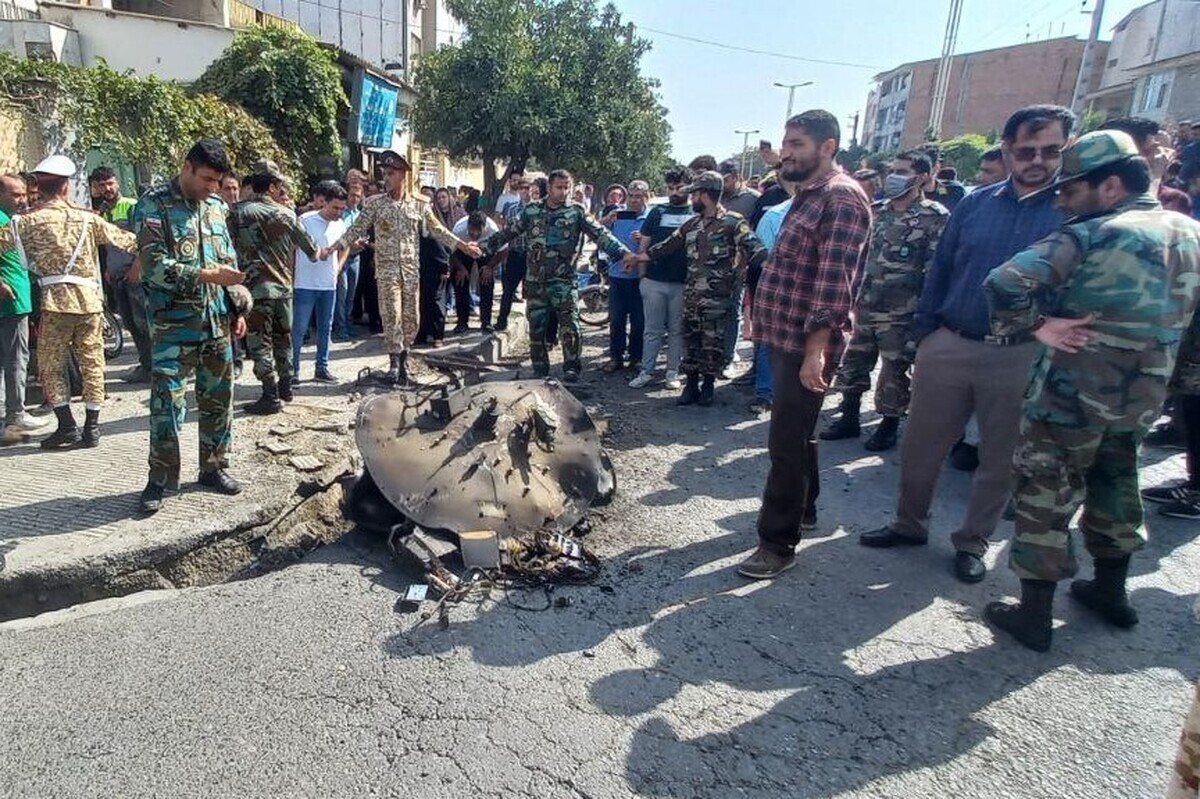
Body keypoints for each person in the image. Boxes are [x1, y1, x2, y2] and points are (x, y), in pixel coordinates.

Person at [980, 130, 1200, 652]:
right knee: (1117, 481)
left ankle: (1034, 615)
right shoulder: (1189, 232)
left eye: (1071, 189)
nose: (1060, 199)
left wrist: (1036, 326)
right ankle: (1110, 591)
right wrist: (1180, 382)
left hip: (1068, 396)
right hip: (1141, 396)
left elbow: (1003, 281)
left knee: (1044, 493)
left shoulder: (1092, 233)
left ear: (1111, 186)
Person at [859, 104, 1073, 584]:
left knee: (999, 458)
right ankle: (908, 524)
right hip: (951, 341)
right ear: (1007, 149)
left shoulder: (1071, 212)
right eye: (1025, 151)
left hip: (1020, 352)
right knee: (920, 446)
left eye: (1050, 150)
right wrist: (925, 335)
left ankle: (972, 542)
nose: (1036, 160)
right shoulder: (976, 204)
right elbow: (942, 269)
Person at [735, 110, 872, 579]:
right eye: (785, 142)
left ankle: (777, 543)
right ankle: (805, 512)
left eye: (796, 144)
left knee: (786, 445)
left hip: (806, 344)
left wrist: (817, 350)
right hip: (786, 336)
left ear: (827, 146)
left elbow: (835, 284)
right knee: (799, 434)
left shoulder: (841, 199)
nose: (785, 152)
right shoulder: (810, 196)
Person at [132, 138, 249, 514]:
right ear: (186, 167)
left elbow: (227, 261)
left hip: (216, 324)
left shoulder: (215, 208)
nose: (212, 188)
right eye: (206, 179)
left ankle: (214, 467)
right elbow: (153, 267)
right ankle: (160, 479)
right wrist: (207, 275)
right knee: (167, 405)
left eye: (218, 181)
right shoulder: (153, 206)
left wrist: (237, 305)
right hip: (172, 328)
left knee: (219, 401)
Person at [0, 155, 137, 450]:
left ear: (39, 187)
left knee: (50, 365)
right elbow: (128, 241)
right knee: (92, 362)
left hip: (54, 303)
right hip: (90, 302)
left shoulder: (25, 222)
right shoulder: (88, 218)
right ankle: (92, 428)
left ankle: (66, 426)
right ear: (65, 187)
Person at [821, 150, 949, 451]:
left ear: (921, 177)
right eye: (893, 170)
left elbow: (936, 270)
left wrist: (926, 315)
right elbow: (860, 256)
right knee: (854, 364)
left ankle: (888, 425)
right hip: (866, 304)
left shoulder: (935, 217)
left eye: (902, 171)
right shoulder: (877, 210)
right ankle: (849, 418)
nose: (894, 177)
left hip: (902, 311)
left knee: (893, 372)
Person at [330, 151, 478, 384]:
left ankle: (405, 360)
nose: (386, 178)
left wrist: (462, 245)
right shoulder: (375, 204)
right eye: (384, 173)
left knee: (412, 319)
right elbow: (356, 229)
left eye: (391, 173)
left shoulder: (419, 205)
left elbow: (437, 229)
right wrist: (335, 246)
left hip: (410, 271)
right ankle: (394, 364)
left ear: (403, 176)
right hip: (387, 271)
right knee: (392, 317)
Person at [481, 169, 635, 382]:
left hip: (564, 282)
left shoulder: (577, 212)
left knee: (570, 327)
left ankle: (571, 367)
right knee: (536, 327)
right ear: (549, 187)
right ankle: (540, 368)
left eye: (567, 188)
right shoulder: (532, 211)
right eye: (559, 187)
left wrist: (623, 253)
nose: (563, 192)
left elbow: (601, 234)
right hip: (536, 282)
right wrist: (483, 247)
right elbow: (509, 232)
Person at [636, 169, 768, 408]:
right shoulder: (691, 224)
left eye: (694, 194)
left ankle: (707, 387)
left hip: (718, 299)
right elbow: (667, 246)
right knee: (691, 341)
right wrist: (640, 257)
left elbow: (755, 248)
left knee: (712, 345)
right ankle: (691, 386)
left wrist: (773, 270)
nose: (691, 199)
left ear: (704, 195)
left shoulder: (733, 223)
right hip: (692, 296)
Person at [227, 160, 321, 414]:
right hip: (283, 289)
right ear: (270, 186)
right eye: (278, 184)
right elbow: (312, 251)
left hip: (255, 290)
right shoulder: (287, 214)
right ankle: (286, 386)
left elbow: (226, 247)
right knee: (284, 340)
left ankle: (269, 395)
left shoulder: (237, 213)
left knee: (260, 343)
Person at [629, 167, 692, 390]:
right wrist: (642, 278)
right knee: (652, 329)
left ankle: (672, 372)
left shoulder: (695, 212)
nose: (675, 191)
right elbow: (643, 245)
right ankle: (647, 371)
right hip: (653, 281)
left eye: (679, 187)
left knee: (676, 330)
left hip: (682, 283)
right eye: (671, 187)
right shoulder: (657, 212)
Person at [89, 166, 150, 383]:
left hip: (135, 275)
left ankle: (156, 368)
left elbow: (144, 240)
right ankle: (146, 365)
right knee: (130, 324)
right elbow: (107, 245)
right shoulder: (103, 211)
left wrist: (137, 268)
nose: (107, 188)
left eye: (110, 183)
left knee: (144, 323)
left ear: (118, 183)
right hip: (117, 277)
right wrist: (107, 268)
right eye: (101, 185)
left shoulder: (132, 206)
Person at [0, 174, 45, 445]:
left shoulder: (9, 221)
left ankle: (11, 413)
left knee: (10, 358)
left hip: (17, 296)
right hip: (10, 300)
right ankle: (16, 415)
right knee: (17, 357)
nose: (23, 199)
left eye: (23, 194)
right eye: (16, 194)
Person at [293, 181, 349, 383]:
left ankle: (321, 367)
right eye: (335, 207)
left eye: (342, 209)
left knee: (326, 327)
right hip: (305, 283)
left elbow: (346, 246)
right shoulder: (305, 220)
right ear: (323, 202)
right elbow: (293, 246)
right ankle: (293, 371)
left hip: (328, 284)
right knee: (299, 329)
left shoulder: (340, 224)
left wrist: (339, 266)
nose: (339, 212)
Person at [602, 179, 649, 373]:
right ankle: (615, 357)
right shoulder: (618, 215)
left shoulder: (651, 217)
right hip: (617, 275)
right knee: (617, 319)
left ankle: (636, 357)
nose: (634, 200)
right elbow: (600, 236)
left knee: (639, 321)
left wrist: (645, 238)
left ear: (646, 197)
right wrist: (607, 220)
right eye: (631, 196)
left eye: (639, 196)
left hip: (641, 277)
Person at [450, 211, 502, 333]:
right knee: (460, 282)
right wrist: (460, 268)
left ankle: (486, 322)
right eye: (472, 230)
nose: (475, 234)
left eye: (478, 231)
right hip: (462, 251)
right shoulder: (459, 229)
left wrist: (490, 267)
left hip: (486, 251)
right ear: (467, 226)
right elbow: (450, 252)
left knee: (486, 283)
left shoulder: (493, 230)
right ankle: (462, 322)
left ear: (485, 227)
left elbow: (503, 251)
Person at [495, 177, 532, 332]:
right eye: (521, 188)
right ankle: (501, 321)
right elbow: (506, 230)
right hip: (515, 254)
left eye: (527, 188)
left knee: (533, 293)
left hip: (532, 257)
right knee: (508, 290)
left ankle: (536, 327)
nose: (524, 191)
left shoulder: (538, 209)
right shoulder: (511, 209)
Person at [333, 177, 365, 342]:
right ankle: (340, 326)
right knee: (342, 293)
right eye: (352, 195)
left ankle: (347, 322)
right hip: (341, 258)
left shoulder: (360, 214)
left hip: (356, 258)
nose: (355, 199)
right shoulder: (341, 214)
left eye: (358, 196)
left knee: (351, 294)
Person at [922, 144, 967, 211]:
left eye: (923, 166)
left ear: (936, 167)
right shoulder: (904, 194)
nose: (918, 171)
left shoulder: (954, 192)